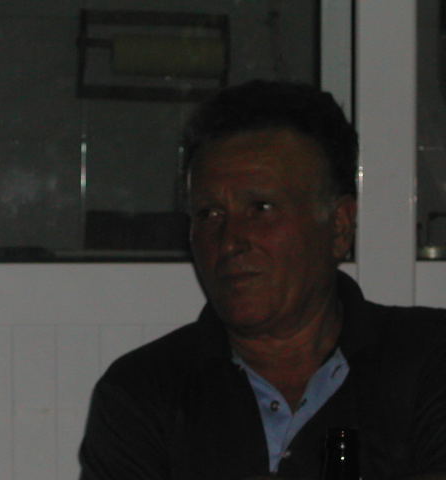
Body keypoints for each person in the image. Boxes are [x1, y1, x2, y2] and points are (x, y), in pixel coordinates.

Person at [78, 80, 446, 480]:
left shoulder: (428, 360)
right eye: (209, 214)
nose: (230, 241)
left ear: (339, 227)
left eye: (261, 208)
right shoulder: (144, 392)